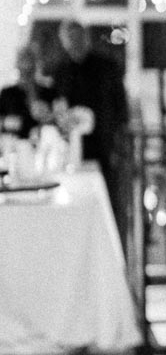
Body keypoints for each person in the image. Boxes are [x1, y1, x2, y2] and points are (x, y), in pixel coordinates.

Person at [53, 21, 130, 244]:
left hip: (105, 147)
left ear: (86, 38)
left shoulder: (107, 66)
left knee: (110, 201)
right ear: (64, 42)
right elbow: (59, 108)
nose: (75, 43)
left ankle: (113, 248)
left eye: (79, 38)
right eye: (71, 39)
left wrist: (118, 142)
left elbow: (120, 108)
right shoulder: (61, 70)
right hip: (73, 150)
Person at [0, 43, 54, 139]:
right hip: (15, 146)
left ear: (36, 65)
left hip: (43, 147)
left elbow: (57, 121)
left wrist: (48, 117)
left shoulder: (47, 92)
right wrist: (5, 122)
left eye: (30, 60)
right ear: (17, 65)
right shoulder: (7, 93)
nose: (26, 66)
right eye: (23, 60)